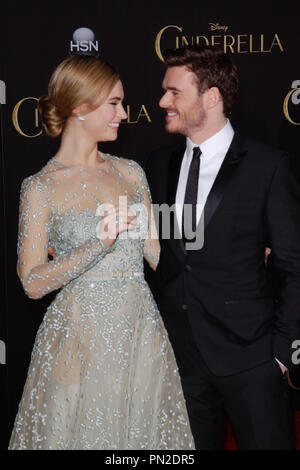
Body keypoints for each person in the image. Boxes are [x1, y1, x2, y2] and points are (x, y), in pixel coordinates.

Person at [9, 54, 194, 450]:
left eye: (122, 103)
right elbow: (32, 283)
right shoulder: (40, 188)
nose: (124, 114)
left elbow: (160, 258)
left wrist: (228, 258)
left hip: (140, 337)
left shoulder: (130, 172)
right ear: (79, 106)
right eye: (114, 103)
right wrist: (99, 243)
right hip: (78, 343)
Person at [146, 45, 300, 450]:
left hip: (251, 360)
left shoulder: (268, 167)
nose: (163, 101)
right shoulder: (159, 165)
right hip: (182, 361)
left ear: (211, 97)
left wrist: (281, 354)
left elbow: (294, 265)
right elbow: (157, 249)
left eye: (174, 92)